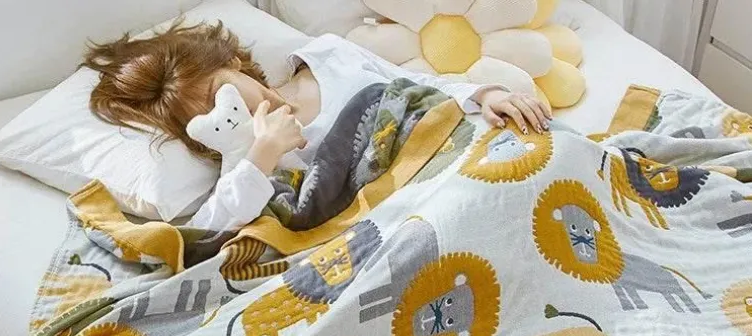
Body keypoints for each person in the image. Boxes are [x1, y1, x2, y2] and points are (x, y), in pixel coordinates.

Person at [84, 21, 551, 230]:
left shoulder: (329, 55)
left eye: (220, 93)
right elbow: (209, 234)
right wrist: (261, 156)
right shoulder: (246, 167)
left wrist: (484, 94)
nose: (231, 111)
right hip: (413, 212)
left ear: (232, 63)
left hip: (462, 154)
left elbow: (415, 87)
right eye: (206, 116)